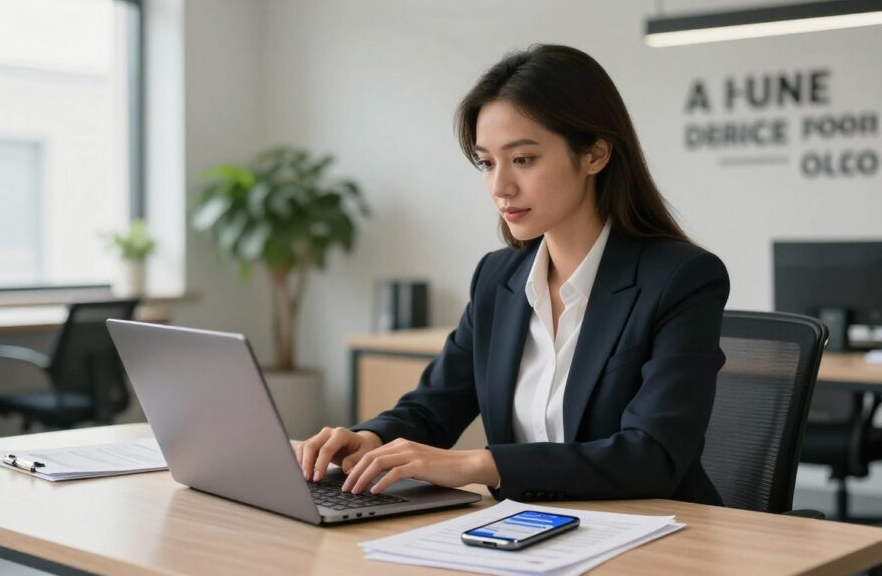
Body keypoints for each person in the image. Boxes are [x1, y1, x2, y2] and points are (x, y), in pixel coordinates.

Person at [294, 44, 730, 505]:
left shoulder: (681, 279)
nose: (500, 186)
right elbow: (431, 407)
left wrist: (479, 464)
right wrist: (371, 439)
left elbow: (652, 457)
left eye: (523, 159)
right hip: (527, 534)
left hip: (658, 538)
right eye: (487, 162)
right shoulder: (497, 278)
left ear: (595, 155)